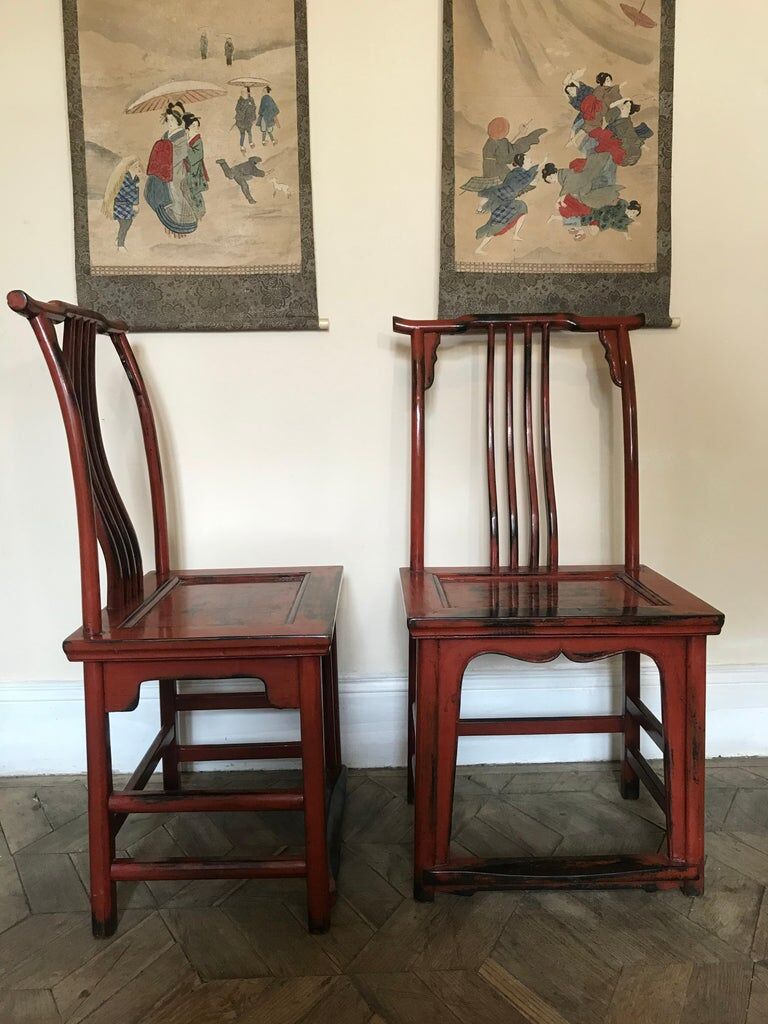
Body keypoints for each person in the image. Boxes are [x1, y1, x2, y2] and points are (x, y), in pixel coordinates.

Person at [144, 102, 198, 237]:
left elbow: (179, 155)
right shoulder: (166, 135)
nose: (170, 123)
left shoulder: (182, 137)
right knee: (156, 193)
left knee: (175, 195)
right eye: (168, 120)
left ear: (179, 121)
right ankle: (168, 225)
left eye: (173, 120)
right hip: (164, 170)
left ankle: (181, 225)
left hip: (176, 171)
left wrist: (165, 155)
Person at [474, 152, 539, 254]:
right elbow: (516, 184)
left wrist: (533, 179)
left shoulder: (522, 173)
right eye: (528, 159)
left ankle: (515, 235)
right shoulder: (516, 174)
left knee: (522, 207)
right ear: (522, 163)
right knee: (495, 226)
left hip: (509, 201)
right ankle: (479, 248)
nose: (530, 160)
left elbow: (527, 181)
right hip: (502, 202)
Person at [461, 117, 546, 193]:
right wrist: (525, 139)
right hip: (497, 173)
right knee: (515, 179)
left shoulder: (489, 141)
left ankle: (531, 138)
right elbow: (507, 157)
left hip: (488, 171)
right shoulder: (501, 142)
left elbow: (506, 153)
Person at [102, 155, 141, 250]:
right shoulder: (124, 177)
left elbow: (134, 192)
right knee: (125, 223)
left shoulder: (134, 177)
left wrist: (135, 204)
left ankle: (119, 240)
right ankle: (120, 245)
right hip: (121, 205)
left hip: (127, 205)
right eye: (135, 166)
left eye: (138, 166)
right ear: (129, 166)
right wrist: (134, 204)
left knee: (127, 223)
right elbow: (126, 193)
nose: (138, 168)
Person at [182, 113, 209, 219]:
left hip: (195, 172)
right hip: (188, 171)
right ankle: (195, 213)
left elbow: (195, 157)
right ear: (187, 128)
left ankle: (200, 213)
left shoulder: (198, 141)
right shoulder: (188, 140)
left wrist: (186, 146)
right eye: (193, 126)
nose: (196, 129)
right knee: (188, 193)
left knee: (195, 193)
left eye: (197, 126)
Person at [235, 87, 257, 154]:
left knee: (249, 132)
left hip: (248, 120)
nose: (242, 93)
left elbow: (254, 109)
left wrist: (254, 118)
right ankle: (242, 146)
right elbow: (237, 109)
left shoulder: (251, 99)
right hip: (241, 120)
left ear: (248, 92)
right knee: (242, 134)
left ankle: (250, 142)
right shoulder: (240, 100)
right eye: (241, 92)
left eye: (244, 92)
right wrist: (244, 108)